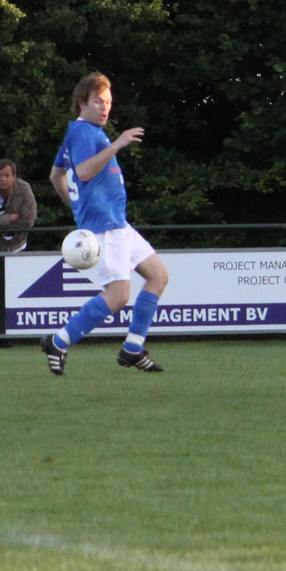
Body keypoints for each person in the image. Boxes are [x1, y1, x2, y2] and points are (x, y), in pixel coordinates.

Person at [44, 71, 169, 374]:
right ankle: (58, 341)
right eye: (98, 101)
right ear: (82, 103)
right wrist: (117, 144)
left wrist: (75, 204)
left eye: (108, 102)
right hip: (105, 227)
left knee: (158, 275)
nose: (105, 107)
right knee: (118, 295)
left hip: (118, 223)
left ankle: (133, 348)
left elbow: (56, 174)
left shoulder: (78, 131)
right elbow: (83, 172)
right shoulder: (84, 133)